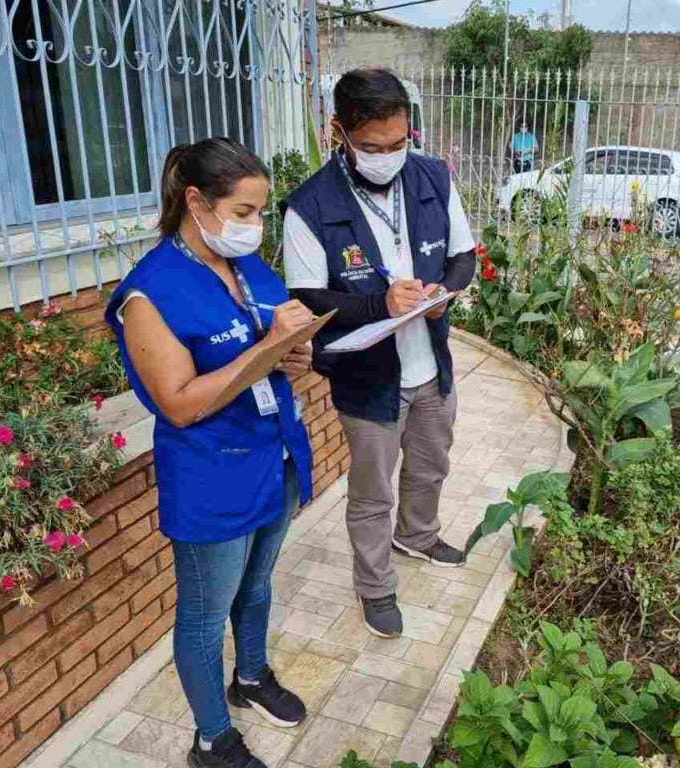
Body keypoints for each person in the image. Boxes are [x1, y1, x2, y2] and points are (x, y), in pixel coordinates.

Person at [105, 138, 315, 768]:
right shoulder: (150, 294)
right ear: (195, 201)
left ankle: (250, 676)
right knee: (204, 612)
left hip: (273, 455)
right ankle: (212, 739)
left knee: (258, 584)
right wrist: (265, 352)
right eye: (244, 212)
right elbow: (179, 403)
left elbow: (271, 348)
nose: (254, 227)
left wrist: (294, 352)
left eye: (260, 214)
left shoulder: (246, 268)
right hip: (211, 475)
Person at [282, 68, 477, 638]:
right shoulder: (310, 207)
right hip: (369, 382)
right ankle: (375, 586)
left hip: (430, 365)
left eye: (399, 143)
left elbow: (462, 255)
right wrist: (380, 304)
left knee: (432, 464)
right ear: (337, 131)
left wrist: (444, 292)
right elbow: (309, 299)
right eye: (371, 147)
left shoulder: (433, 177)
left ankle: (417, 535)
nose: (388, 156)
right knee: (372, 491)